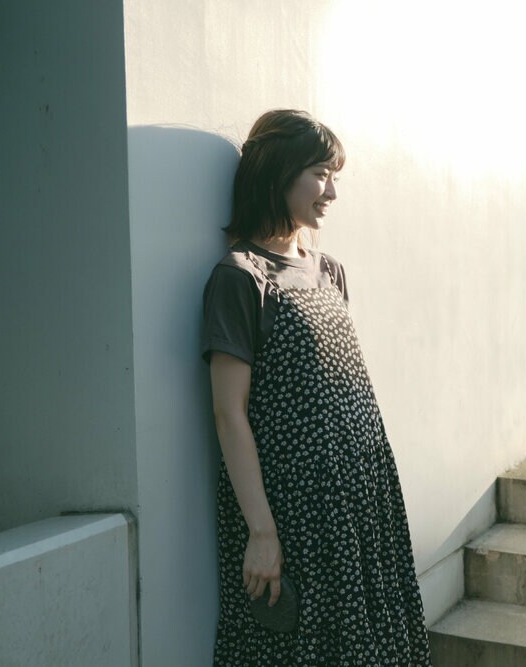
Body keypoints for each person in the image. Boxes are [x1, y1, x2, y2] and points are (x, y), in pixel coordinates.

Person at [202, 109, 431, 665]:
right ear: (278, 173)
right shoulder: (241, 278)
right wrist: (262, 532)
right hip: (296, 512)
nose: (331, 192)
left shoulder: (328, 269)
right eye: (320, 175)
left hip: (359, 499)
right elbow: (230, 414)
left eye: (334, 176)